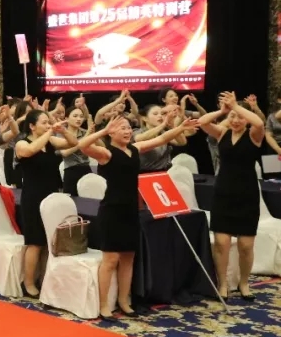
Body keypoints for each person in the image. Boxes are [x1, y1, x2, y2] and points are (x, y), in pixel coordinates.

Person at [76, 115, 198, 318]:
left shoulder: (134, 149)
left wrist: (181, 127)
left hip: (132, 210)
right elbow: (83, 145)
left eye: (128, 128)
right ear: (112, 132)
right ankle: (104, 305)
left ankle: (124, 301)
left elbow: (161, 139)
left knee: (128, 258)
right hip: (112, 211)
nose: (127, 131)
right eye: (121, 128)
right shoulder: (107, 153)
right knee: (111, 260)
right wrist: (103, 131)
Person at [198, 92, 264, 300]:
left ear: (246, 118)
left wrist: (237, 106)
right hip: (223, 193)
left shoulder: (254, 135)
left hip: (247, 194)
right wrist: (223, 111)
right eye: (233, 117)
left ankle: (244, 283)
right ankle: (223, 284)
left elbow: (259, 122)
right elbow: (203, 122)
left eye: (240, 117)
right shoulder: (222, 133)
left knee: (246, 245)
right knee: (221, 243)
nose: (236, 120)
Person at [15, 110, 78, 298]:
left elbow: (73, 143)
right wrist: (51, 132)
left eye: (48, 122)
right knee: (35, 242)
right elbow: (29, 151)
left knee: (48, 242)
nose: (48, 125)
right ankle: (28, 283)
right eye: (44, 122)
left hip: (51, 195)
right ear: (32, 126)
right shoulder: (22, 143)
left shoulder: (50, 141)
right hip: (33, 197)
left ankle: (43, 279)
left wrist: (63, 131)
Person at [135, 104, 187, 173]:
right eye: (155, 114)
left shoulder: (163, 132)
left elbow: (182, 142)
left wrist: (173, 125)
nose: (160, 116)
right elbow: (139, 138)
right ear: (145, 118)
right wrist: (163, 124)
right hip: (146, 173)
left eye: (162, 114)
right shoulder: (137, 132)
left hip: (166, 171)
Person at [61, 103, 93, 196]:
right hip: (71, 171)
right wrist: (87, 136)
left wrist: (92, 134)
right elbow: (65, 153)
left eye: (81, 116)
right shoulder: (62, 133)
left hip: (86, 169)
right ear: (66, 118)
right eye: (75, 116)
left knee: (89, 200)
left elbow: (100, 147)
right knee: (71, 201)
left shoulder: (85, 132)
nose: (79, 119)